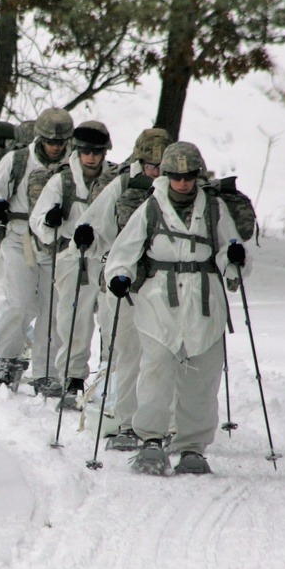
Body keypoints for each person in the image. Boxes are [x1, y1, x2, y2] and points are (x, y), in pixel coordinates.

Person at [104, 141, 251, 475]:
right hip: (158, 298)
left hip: (204, 300)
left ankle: (192, 447)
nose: (183, 182)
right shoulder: (151, 208)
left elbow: (230, 249)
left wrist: (235, 259)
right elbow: (124, 251)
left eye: (188, 176)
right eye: (176, 176)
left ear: (196, 175)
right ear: (167, 175)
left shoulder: (214, 209)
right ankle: (151, 440)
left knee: (202, 376)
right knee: (155, 370)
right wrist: (120, 277)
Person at [79, 128, 172, 448]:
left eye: (161, 165)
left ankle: (161, 421)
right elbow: (94, 223)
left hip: (165, 286)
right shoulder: (123, 184)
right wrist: (86, 239)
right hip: (123, 285)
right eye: (149, 164)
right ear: (139, 160)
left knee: (163, 354)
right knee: (128, 354)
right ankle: (127, 420)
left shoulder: (180, 189)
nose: (155, 171)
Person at [0, 108, 73, 394]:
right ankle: (6, 358)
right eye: (50, 141)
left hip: (58, 244)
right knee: (19, 301)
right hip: (20, 238)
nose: (55, 147)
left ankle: (48, 371)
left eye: (60, 142)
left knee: (53, 308)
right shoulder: (17, 160)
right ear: (40, 138)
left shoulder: (74, 166)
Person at [29, 120, 118, 405]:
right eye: (85, 150)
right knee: (72, 319)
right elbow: (37, 220)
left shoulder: (115, 179)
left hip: (107, 257)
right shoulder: (62, 181)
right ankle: (72, 377)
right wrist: (49, 221)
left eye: (97, 150)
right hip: (72, 257)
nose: (91, 156)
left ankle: (110, 375)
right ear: (76, 150)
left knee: (110, 318)